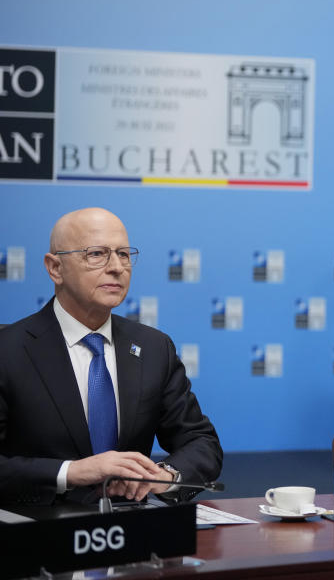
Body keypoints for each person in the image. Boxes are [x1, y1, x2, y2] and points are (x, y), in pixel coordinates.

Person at [0, 208, 222, 505]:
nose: (117, 267)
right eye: (97, 254)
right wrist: (71, 472)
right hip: (35, 536)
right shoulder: (9, 350)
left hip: (132, 536)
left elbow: (201, 442)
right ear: (55, 268)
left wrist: (164, 476)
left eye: (124, 254)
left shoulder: (154, 348)